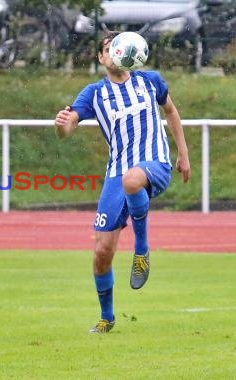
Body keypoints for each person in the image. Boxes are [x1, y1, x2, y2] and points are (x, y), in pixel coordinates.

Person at [54, 32, 191, 334]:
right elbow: (69, 128)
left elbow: (170, 110)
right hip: (116, 173)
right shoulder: (93, 93)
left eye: (118, 46)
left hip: (153, 163)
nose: (115, 52)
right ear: (102, 58)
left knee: (133, 180)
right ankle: (107, 318)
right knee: (102, 252)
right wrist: (61, 126)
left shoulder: (150, 81)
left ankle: (142, 249)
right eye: (107, 49)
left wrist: (183, 153)